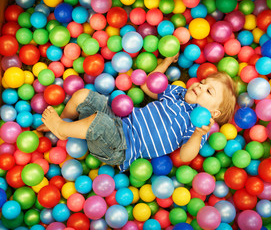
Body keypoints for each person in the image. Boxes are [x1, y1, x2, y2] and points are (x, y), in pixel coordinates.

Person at [37, 53, 237, 171]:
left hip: (121, 148)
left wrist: (198, 134)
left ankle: (62, 129)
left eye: (208, 91)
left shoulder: (197, 127)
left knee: (98, 122)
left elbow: (185, 156)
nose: (200, 87)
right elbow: (149, 87)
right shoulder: (177, 93)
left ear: (214, 113)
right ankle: (63, 121)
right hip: (119, 120)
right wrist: (166, 62)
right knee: (82, 95)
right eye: (203, 83)